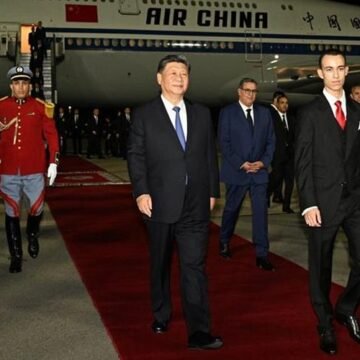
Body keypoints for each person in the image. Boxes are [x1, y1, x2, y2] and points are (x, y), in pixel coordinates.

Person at [127, 54, 223, 350]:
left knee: (194, 266)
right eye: (173, 73)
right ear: (159, 79)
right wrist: (141, 191)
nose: (179, 78)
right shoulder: (144, 114)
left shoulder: (202, 113)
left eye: (183, 73)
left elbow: (208, 155)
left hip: (195, 204)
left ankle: (199, 331)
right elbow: (136, 155)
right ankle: (161, 313)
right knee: (161, 262)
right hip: (158, 203)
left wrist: (212, 192)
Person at [295, 49, 360, 355]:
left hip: (355, 202)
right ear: (320, 73)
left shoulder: (358, 112)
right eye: (329, 69)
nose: (335, 74)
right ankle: (324, 322)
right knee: (320, 267)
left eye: (340, 69)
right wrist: (308, 204)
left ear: (347, 72)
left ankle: (345, 308)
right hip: (322, 203)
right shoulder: (310, 113)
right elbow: (303, 162)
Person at [0, 65, 59, 273]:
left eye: (24, 83)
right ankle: (16, 255)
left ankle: (32, 234)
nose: (21, 87)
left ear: (30, 86)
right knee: (11, 212)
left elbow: (51, 136)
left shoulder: (41, 107)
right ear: (11, 86)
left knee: (36, 209)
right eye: (17, 83)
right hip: (8, 170)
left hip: (34, 169)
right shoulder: (1, 106)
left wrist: (53, 162)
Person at [218, 78, 275, 271]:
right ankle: (224, 240)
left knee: (260, 214)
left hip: (259, 173)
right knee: (232, 209)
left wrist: (263, 162)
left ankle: (262, 254)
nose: (251, 94)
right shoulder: (227, 113)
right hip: (237, 172)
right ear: (239, 92)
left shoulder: (265, 113)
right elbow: (224, 143)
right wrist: (241, 164)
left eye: (254, 91)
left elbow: (270, 142)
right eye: (247, 90)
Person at [267, 93, 295, 213]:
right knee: (276, 177)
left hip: (290, 156)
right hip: (277, 154)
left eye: (286, 103)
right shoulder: (273, 119)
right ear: (277, 104)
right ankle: (266, 195)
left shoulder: (291, 118)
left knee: (290, 181)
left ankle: (286, 206)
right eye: (282, 103)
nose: (285, 105)